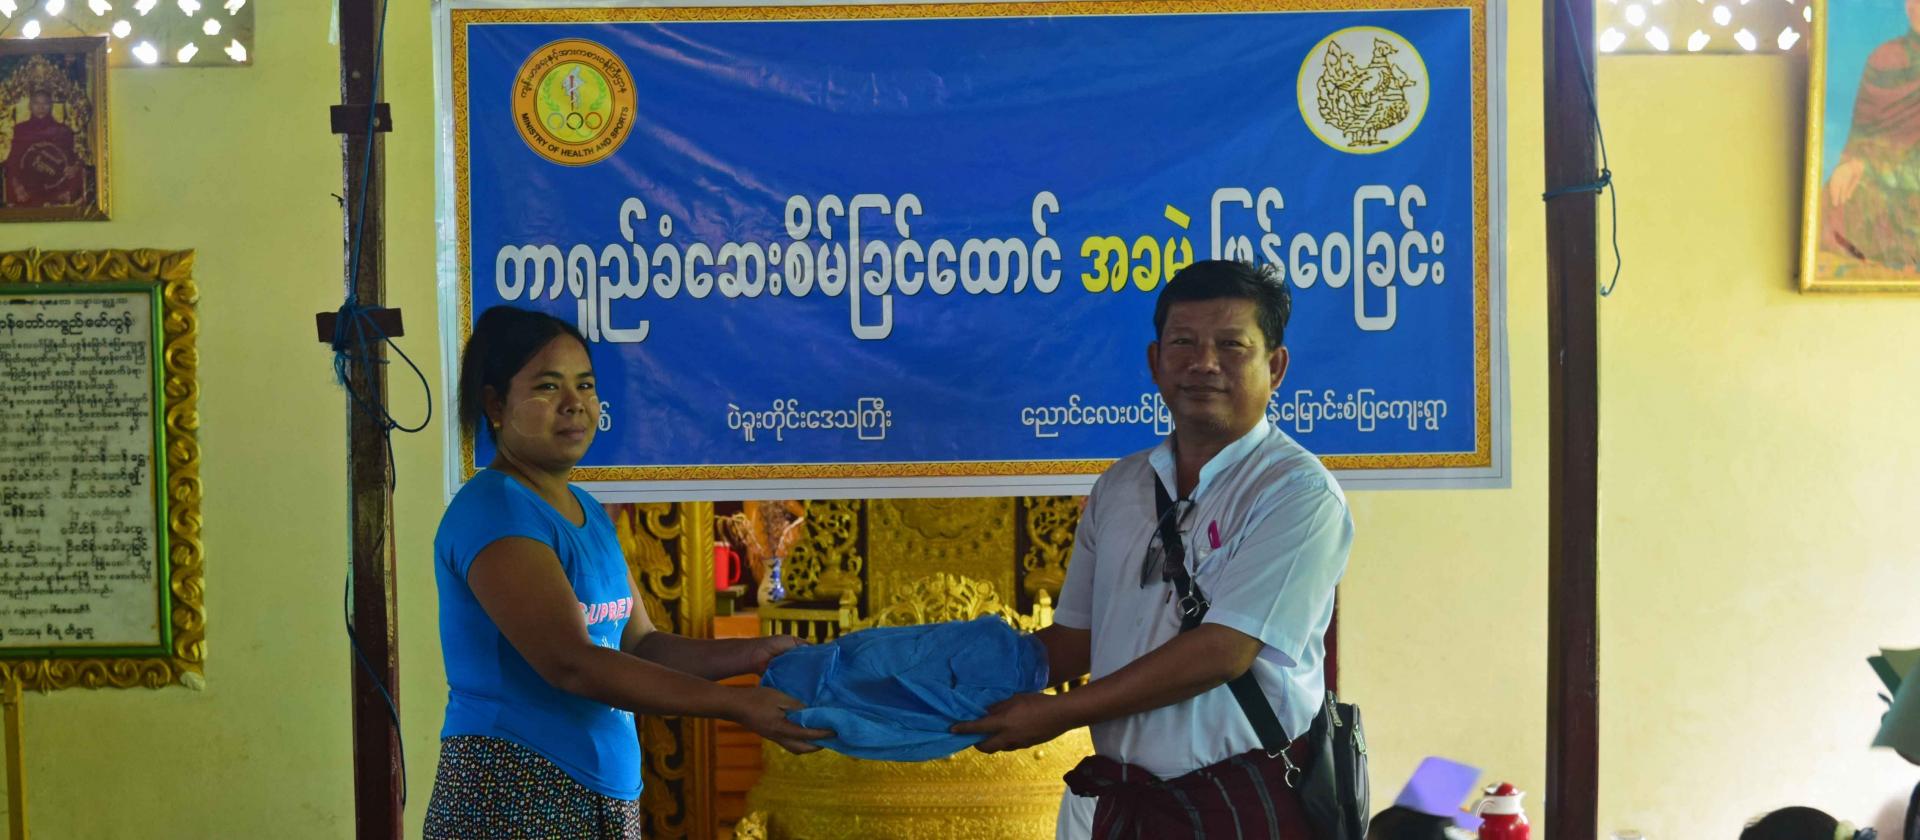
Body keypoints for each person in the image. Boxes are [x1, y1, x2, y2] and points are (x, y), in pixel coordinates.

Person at [954, 260, 1353, 838]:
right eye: (1183, 343)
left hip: (1238, 801)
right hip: (1127, 804)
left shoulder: (1298, 492)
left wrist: (1057, 713)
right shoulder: (1121, 486)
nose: (1204, 363)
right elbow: (1073, 642)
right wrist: (930, 689)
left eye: (1231, 345)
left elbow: (1223, 652)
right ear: (1155, 362)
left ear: (1275, 367)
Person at [424, 305, 831, 840]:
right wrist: (736, 705)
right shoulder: (495, 507)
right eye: (548, 387)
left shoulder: (588, 510)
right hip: (516, 791)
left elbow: (640, 644)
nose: (574, 403)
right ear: (495, 403)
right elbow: (572, 664)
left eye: (585, 385)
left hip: (601, 791)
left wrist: (752, 656)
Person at [1823, 0, 1920, 272]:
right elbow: (1863, 133)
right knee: (1835, 203)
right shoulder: (1885, 58)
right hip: (1886, 177)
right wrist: (1850, 163)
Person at [3, 90, 84, 208]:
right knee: (11, 174)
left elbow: (72, 157)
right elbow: (14, 160)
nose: (41, 107)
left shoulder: (62, 130)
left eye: (45, 103)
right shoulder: (21, 129)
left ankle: (57, 199)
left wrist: (75, 168)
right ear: (30, 106)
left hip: (56, 181)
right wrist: (17, 186)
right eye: (36, 103)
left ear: (51, 106)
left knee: (77, 176)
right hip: (28, 183)